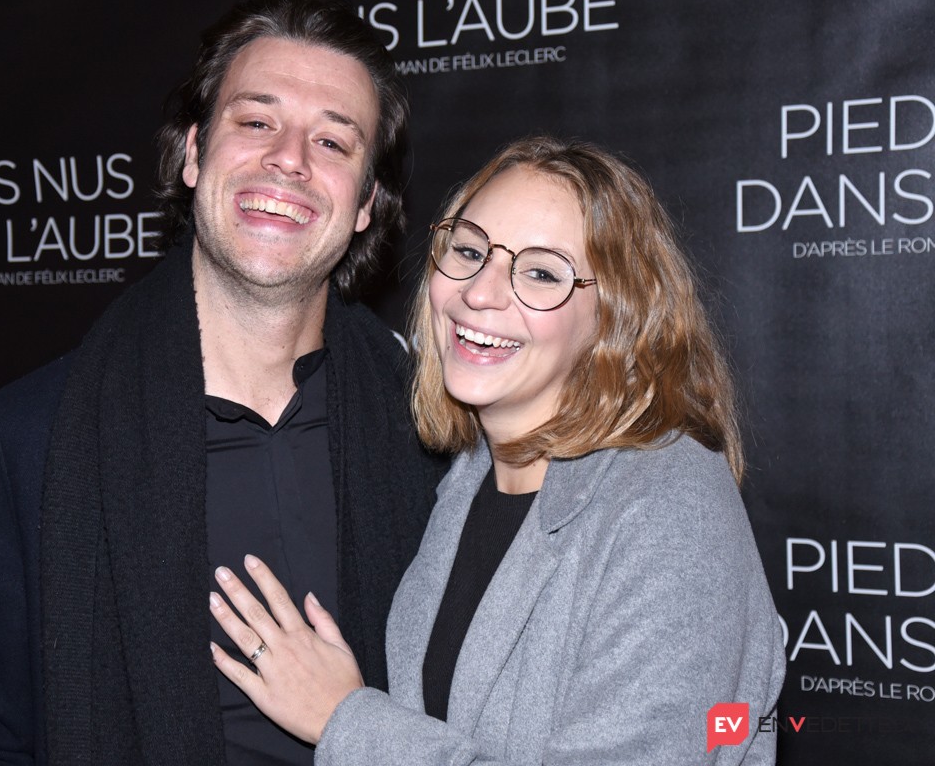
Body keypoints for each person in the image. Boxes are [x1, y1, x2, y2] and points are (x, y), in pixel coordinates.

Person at [0, 0, 444, 766]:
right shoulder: (32, 434)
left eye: (333, 142)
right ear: (193, 155)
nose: (288, 158)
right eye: (256, 122)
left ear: (367, 205)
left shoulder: (438, 437)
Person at [208, 136, 787, 764]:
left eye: (540, 272)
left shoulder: (670, 506)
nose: (480, 292)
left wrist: (346, 720)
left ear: (616, 317)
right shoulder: (464, 480)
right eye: (469, 250)